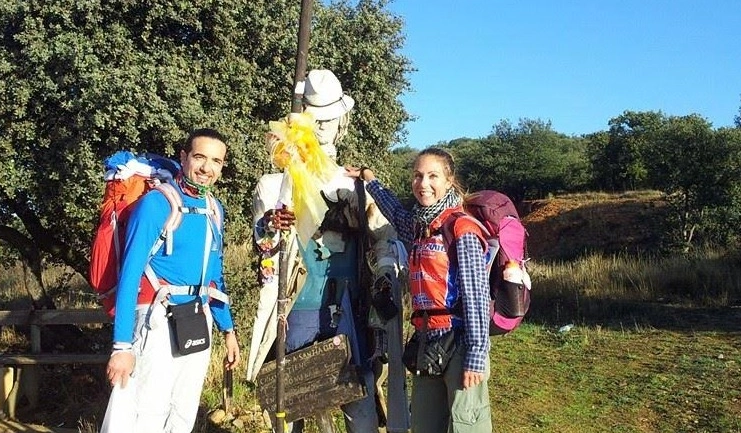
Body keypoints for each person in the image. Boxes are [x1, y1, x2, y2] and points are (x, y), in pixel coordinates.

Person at [246, 69, 406, 433]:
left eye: (329, 121)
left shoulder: (356, 184)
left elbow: (384, 239)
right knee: (288, 409)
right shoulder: (274, 185)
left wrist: (384, 278)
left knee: (359, 403)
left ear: (341, 122)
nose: (322, 129)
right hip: (294, 307)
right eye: (315, 121)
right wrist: (272, 224)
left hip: (351, 306)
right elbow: (265, 247)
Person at [345, 147, 493, 433]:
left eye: (432, 176)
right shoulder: (417, 226)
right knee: (425, 424)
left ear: (449, 181)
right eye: (417, 175)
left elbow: (476, 297)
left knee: (467, 426)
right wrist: (368, 178)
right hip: (427, 340)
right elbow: (393, 210)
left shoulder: (461, 229)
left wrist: (476, 354)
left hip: (460, 341)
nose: (423, 184)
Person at [103, 128, 240, 433]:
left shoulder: (215, 210)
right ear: (184, 157)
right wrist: (121, 346)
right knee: (147, 414)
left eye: (216, 161)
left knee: (184, 412)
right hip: (157, 321)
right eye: (200, 157)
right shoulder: (157, 204)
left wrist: (228, 329)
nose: (207, 168)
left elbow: (214, 278)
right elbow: (129, 276)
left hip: (197, 319)